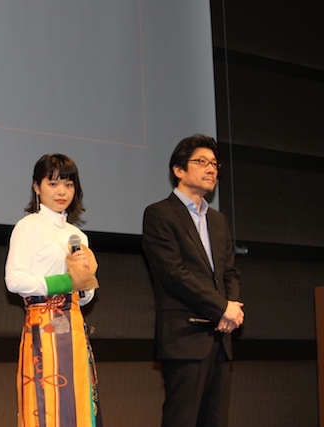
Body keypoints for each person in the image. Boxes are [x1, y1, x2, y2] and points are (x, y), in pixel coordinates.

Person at [142, 134, 244, 427]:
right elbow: (174, 274)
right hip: (185, 337)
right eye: (202, 162)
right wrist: (221, 308)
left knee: (215, 420)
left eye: (214, 164)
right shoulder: (160, 214)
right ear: (179, 170)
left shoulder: (218, 220)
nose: (211, 169)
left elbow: (229, 272)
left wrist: (231, 308)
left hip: (220, 338)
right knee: (182, 419)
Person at [5, 153, 103, 427]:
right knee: (46, 404)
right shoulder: (28, 226)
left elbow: (85, 296)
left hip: (74, 326)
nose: (61, 191)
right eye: (53, 183)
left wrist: (85, 283)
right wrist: (65, 283)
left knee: (79, 404)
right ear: (36, 187)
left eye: (68, 184)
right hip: (44, 327)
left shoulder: (79, 236)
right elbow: (14, 280)